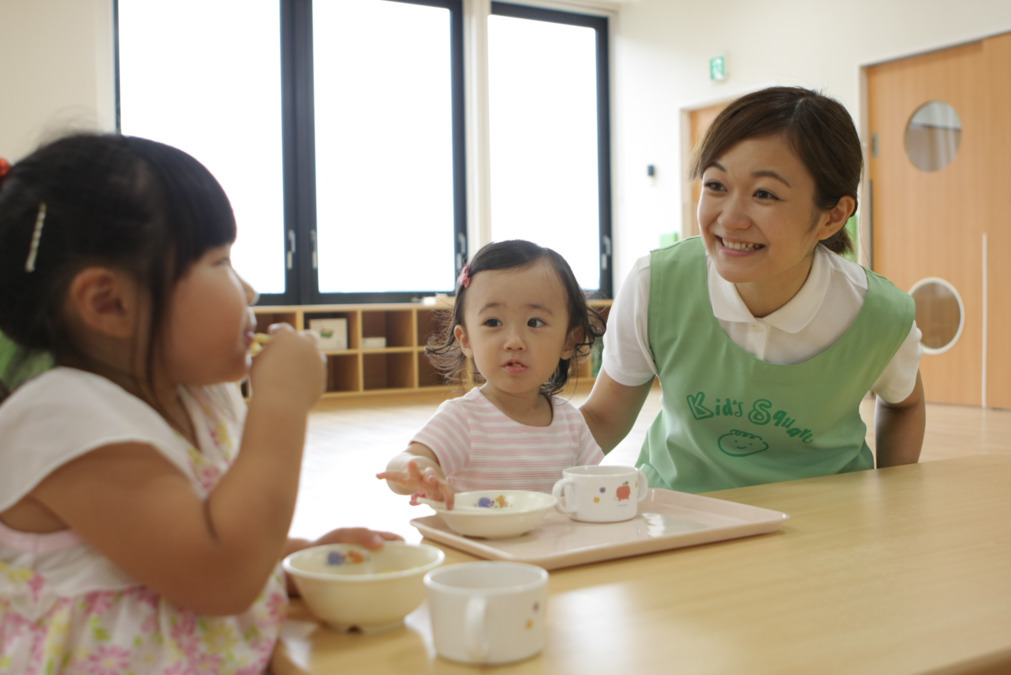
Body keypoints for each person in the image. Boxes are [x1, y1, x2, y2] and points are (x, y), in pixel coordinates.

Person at [0, 134, 399, 673]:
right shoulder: (57, 417)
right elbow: (218, 575)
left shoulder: (194, 396)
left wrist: (294, 558)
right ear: (110, 303)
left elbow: (173, 553)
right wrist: (279, 403)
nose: (251, 291)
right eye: (221, 263)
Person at [580, 86, 926, 494]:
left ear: (832, 216)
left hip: (827, 529)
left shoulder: (878, 314)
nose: (731, 218)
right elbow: (603, 418)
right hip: (678, 517)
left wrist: (895, 501)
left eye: (764, 194)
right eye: (716, 185)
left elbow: (905, 405)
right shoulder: (654, 284)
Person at [378, 240, 606, 508]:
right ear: (466, 341)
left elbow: (590, 488)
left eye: (535, 322)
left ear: (569, 341)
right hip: (475, 547)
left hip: (550, 547)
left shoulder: (571, 423)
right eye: (493, 322)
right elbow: (404, 462)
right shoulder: (463, 419)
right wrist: (420, 472)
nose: (514, 341)